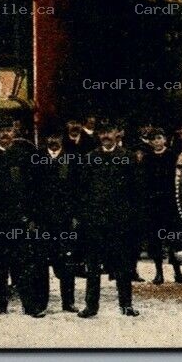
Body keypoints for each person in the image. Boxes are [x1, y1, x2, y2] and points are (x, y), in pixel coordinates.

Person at [0, 118, 48, 316]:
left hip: (19, 219)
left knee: (23, 263)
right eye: (1, 131)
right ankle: (0, 304)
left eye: (9, 130)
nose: (6, 134)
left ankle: (29, 305)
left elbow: (33, 190)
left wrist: (31, 217)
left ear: (14, 133)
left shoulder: (24, 157)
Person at [77, 119, 142, 317]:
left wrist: (131, 219)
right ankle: (91, 306)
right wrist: (85, 217)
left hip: (120, 222)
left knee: (122, 266)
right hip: (95, 222)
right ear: (98, 135)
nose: (106, 136)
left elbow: (136, 191)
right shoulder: (89, 158)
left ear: (117, 134)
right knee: (93, 267)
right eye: (102, 132)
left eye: (109, 132)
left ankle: (126, 305)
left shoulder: (128, 158)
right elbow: (82, 191)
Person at [136, 125, 182, 285]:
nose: (157, 142)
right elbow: (143, 180)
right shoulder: (147, 158)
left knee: (173, 238)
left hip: (170, 203)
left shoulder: (173, 156)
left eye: (159, 138)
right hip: (153, 204)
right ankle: (159, 273)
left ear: (164, 140)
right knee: (156, 239)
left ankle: (178, 273)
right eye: (154, 139)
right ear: (150, 142)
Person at [38, 131, 81, 313]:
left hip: (65, 219)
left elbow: (79, 189)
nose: (53, 140)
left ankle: (68, 301)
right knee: (41, 262)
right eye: (50, 137)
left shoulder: (71, 159)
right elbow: (32, 189)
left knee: (67, 261)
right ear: (46, 139)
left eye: (56, 137)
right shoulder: (37, 159)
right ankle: (41, 303)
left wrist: (76, 216)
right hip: (44, 220)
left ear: (62, 139)